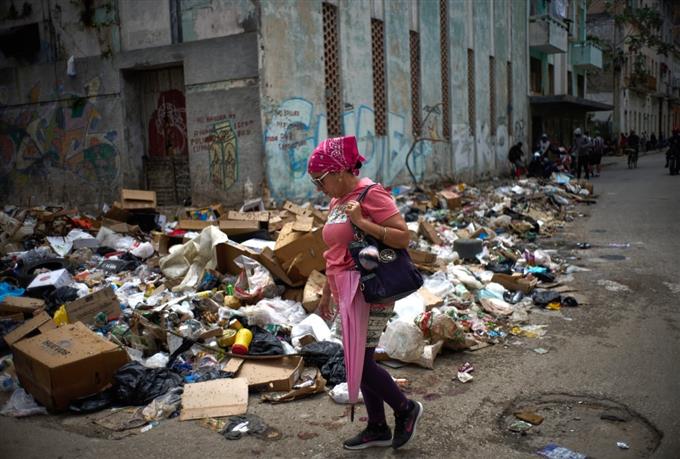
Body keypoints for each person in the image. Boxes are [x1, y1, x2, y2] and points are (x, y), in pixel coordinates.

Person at [308, 136, 423, 451]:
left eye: (320, 179)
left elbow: (402, 237)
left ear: (340, 170)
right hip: (344, 291)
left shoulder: (371, 194)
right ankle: (377, 427)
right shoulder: (337, 201)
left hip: (369, 289)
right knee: (360, 360)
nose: (318, 187)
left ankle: (405, 409)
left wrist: (361, 221)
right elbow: (335, 250)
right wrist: (327, 293)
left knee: (358, 363)